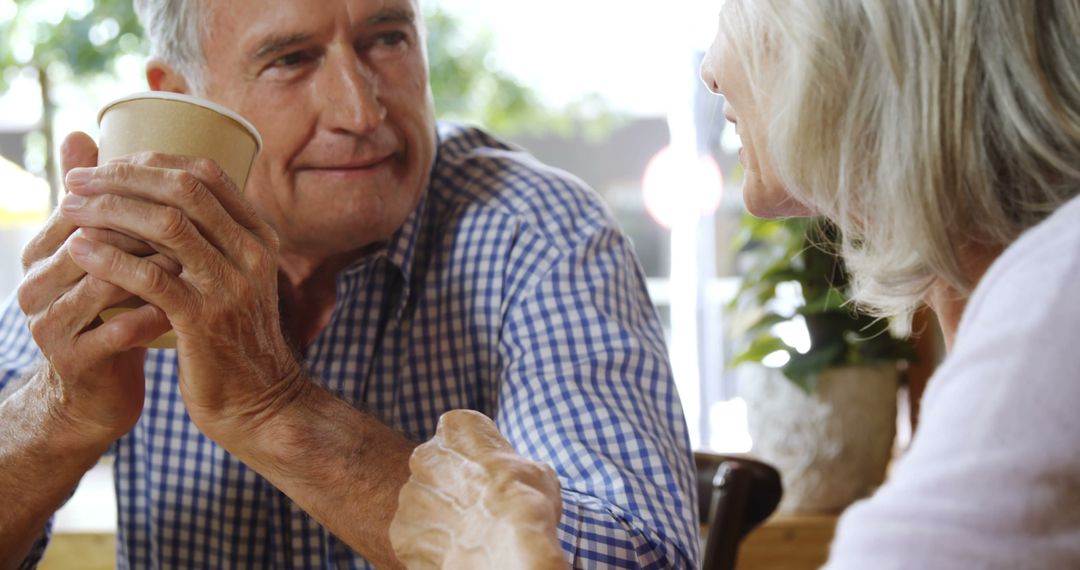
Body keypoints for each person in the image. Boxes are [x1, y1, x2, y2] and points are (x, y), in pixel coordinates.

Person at [0, 0, 700, 567]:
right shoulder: (130, 237)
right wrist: (61, 416)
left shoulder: (539, 233)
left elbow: (640, 560)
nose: (360, 113)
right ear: (181, 94)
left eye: (387, 38)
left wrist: (276, 409)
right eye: (291, 60)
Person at [390, 0, 1080, 568]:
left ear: (852, 31)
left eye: (736, 11)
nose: (712, 70)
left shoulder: (1055, 307)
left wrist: (499, 557)